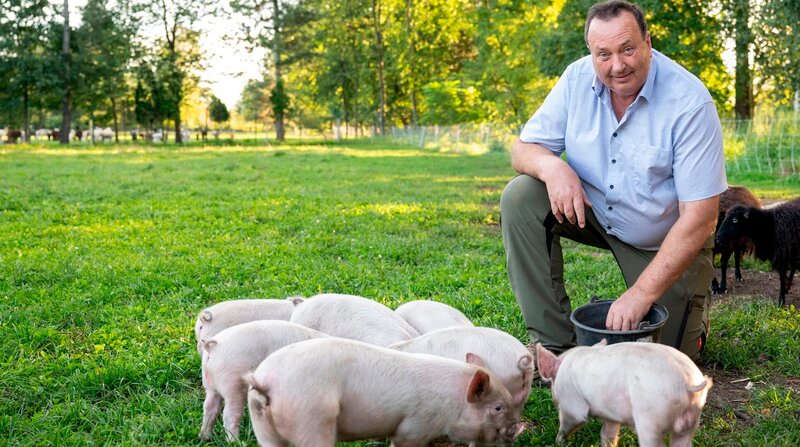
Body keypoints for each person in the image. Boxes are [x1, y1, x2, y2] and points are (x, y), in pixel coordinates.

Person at [500, 0, 726, 360]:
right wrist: (553, 168)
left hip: (663, 239)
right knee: (521, 196)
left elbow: (701, 218)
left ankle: (695, 317)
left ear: (648, 43)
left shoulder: (690, 103)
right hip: (595, 214)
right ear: (591, 53)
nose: (617, 65)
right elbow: (523, 149)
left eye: (627, 49)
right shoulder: (575, 79)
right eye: (603, 54)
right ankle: (555, 346)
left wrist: (640, 294)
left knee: (664, 359)